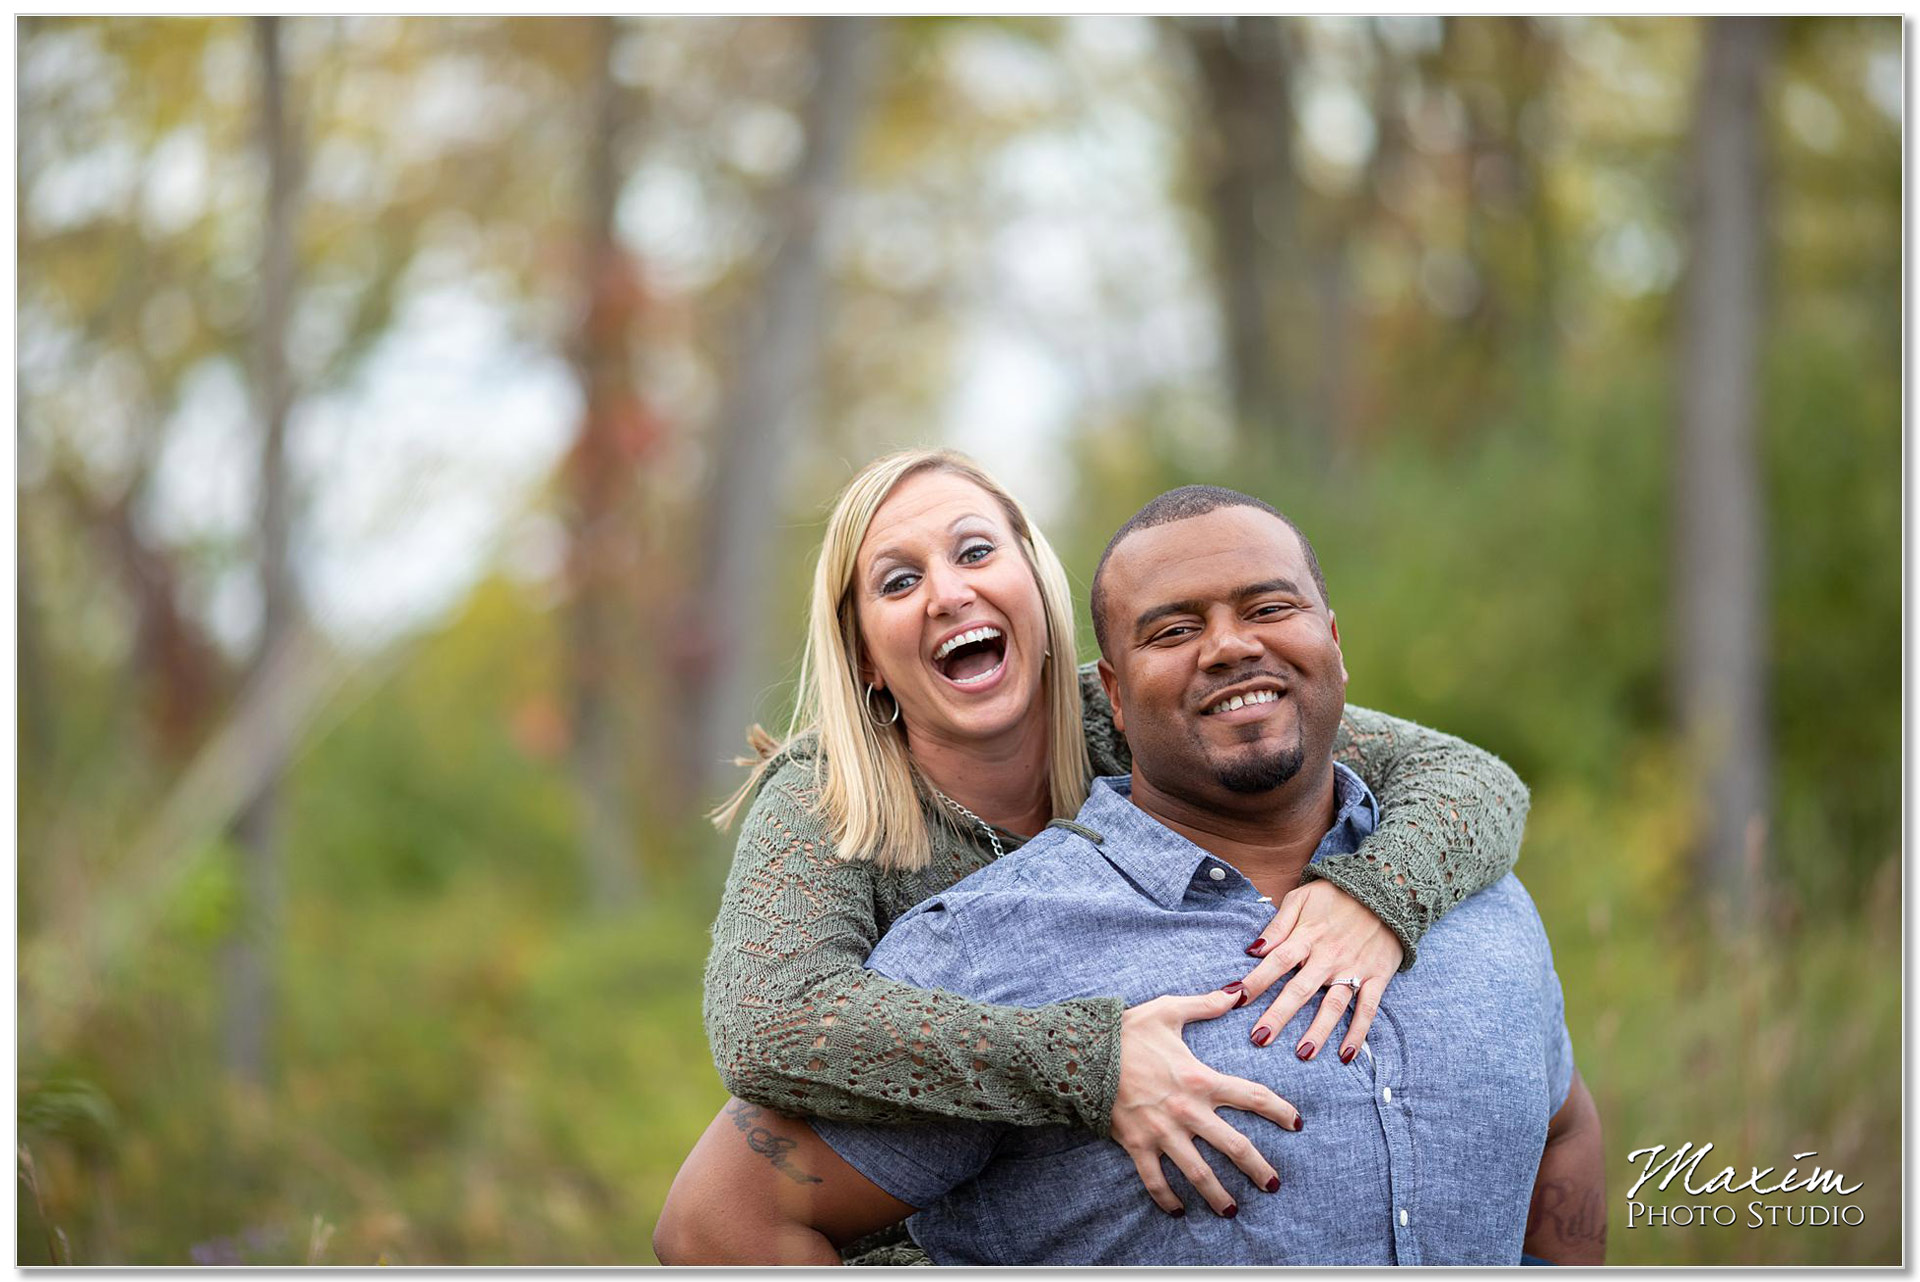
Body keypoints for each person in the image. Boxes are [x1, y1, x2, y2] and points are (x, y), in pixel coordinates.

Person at [655, 485, 1604, 1266]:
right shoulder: (836, 804)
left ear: (1039, 588)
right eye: (900, 580)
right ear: (864, 652)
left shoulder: (1154, 708)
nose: (948, 592)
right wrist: (1090, 1061)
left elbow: (1465, 775)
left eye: (976, 552)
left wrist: (1377, 897)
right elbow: (769, 1028)